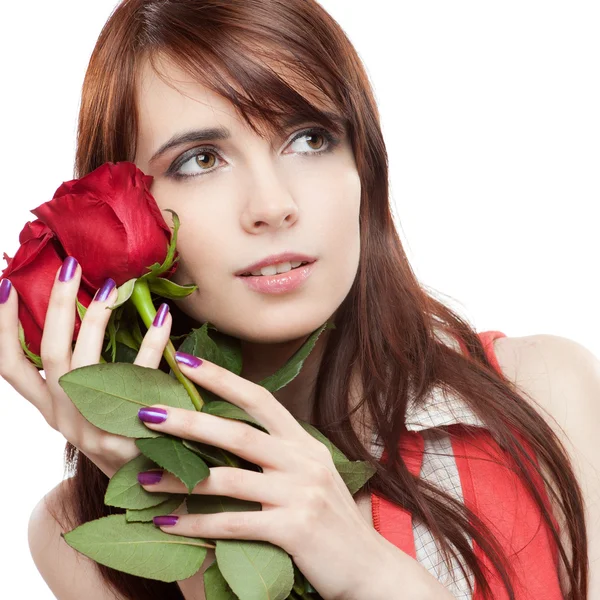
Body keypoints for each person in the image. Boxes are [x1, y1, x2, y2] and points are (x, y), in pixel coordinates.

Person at [0, 0, 597, 598]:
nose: (272, 204)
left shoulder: (544, 393)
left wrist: (370, 574)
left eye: (309, 139)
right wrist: (175, 499)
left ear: (365, 165)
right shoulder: (75, 536)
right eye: (201, 159)